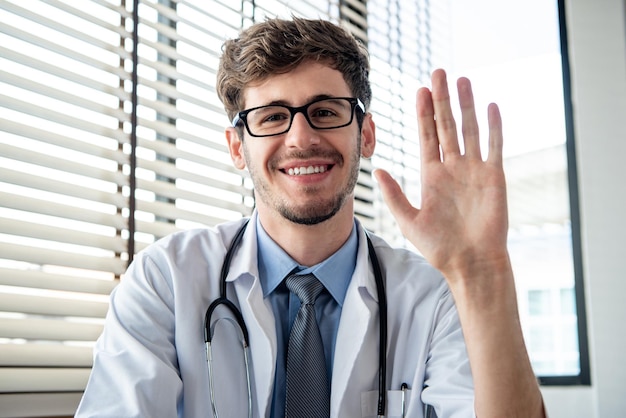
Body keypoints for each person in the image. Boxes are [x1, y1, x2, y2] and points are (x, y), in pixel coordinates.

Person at [76, 17, 546, 418]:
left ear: (365, 135)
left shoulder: (436, 295)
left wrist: (483, 275)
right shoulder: (165, 281)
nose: (301, 137)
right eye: (272, 116)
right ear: (238, 147)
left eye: (325, 111)